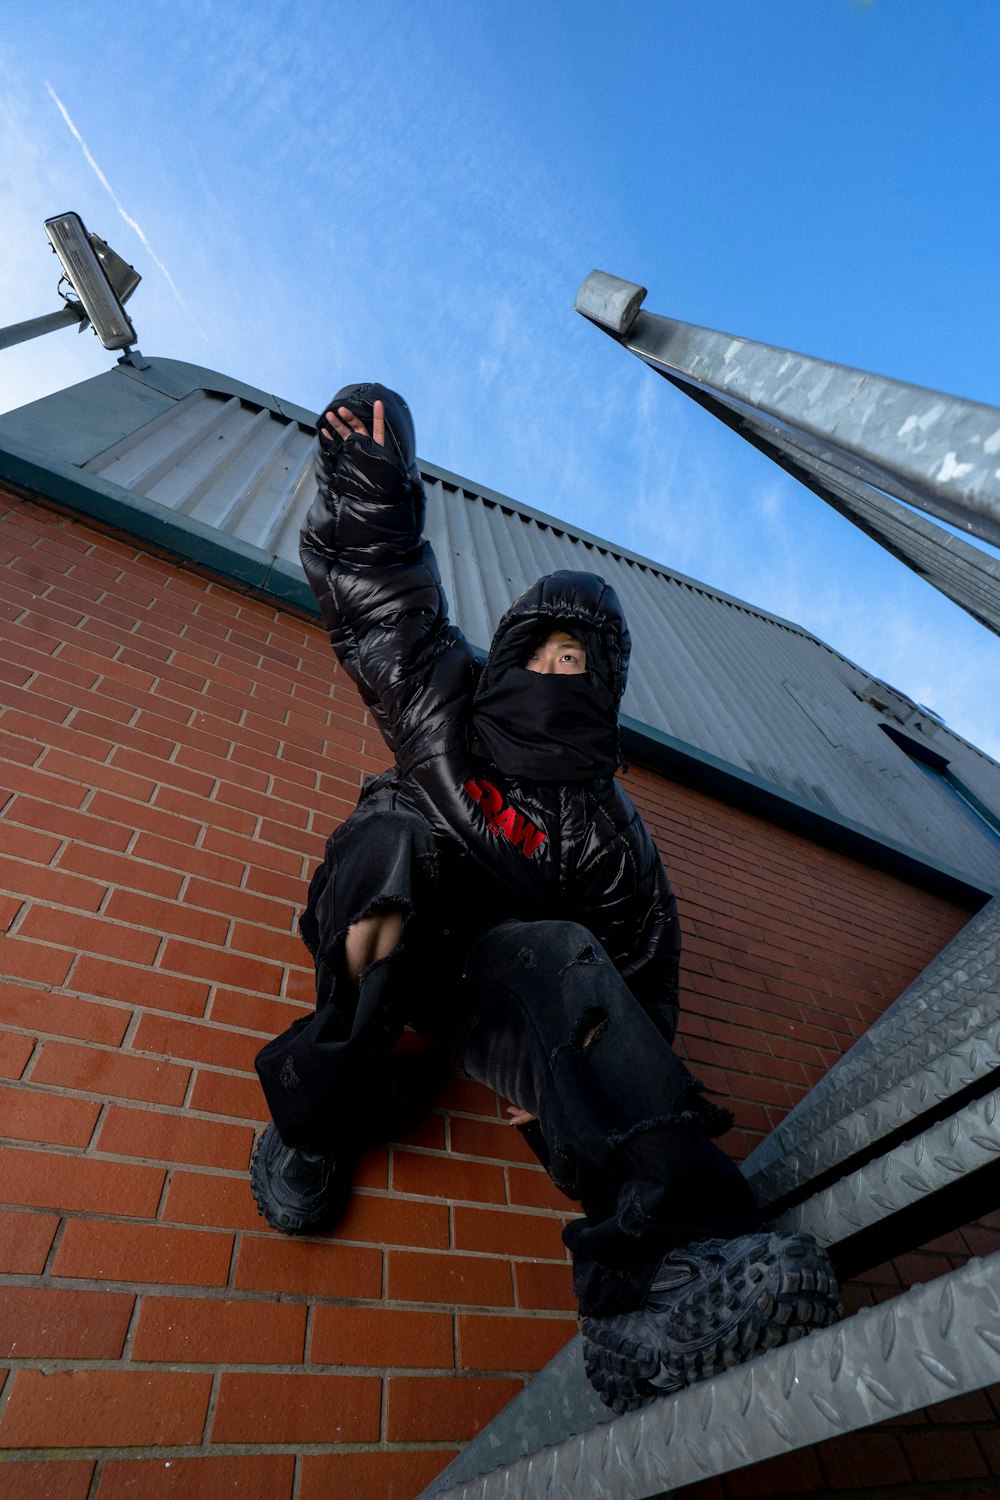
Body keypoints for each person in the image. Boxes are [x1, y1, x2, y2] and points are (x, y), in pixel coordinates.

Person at [251, 383, 841, 1411]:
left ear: (600, 688)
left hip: (492, 986)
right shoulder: (448, 701)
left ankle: (654, 1284)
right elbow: (377, 592)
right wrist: (373, 490)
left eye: (580, 662)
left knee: (565, 951)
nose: (557, 670)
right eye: (542, 652)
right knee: (391, 843)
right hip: (384, 920)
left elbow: (637, 991)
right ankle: (314, 1120)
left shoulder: (614, 837)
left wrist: (570, 1079)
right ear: (511, 656)